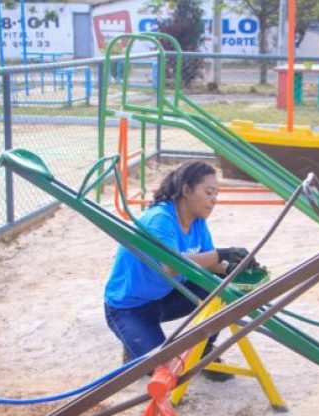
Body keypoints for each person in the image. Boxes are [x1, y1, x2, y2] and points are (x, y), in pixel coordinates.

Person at [104, 160, 249, 382]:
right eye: (209, 192)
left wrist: (235, 266)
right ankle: (133, 346)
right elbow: (171, 266)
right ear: (186, 189)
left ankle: (204, 350)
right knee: (169, 372)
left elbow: (210, 263)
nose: (214, 200)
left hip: (165, 296)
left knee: (222, 282)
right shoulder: (161, 218)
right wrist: (222, 254)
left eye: (216, 194)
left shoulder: (198, 221)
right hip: (129, 307)